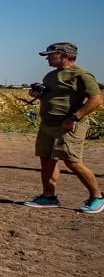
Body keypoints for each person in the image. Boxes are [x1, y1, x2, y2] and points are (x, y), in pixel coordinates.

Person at [23, 42, 103, 214]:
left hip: (69, 125)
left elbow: (96, 100)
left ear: (64, 55)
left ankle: (97, 197)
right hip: (48, 124)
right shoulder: (50, 76)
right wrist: (37, 94)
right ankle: (49, 196)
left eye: (51, 55)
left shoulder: (81, 75)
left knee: (72, 161)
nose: (48, 59)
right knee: (46, 158)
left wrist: (75, 116)